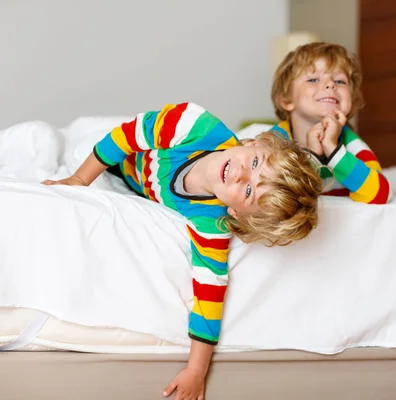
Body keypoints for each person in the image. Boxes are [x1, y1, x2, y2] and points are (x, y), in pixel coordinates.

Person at [43, 102, 322, 400]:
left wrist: (196, 370)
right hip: (119, 148)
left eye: (250, 191)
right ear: (252, 143)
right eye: (255, 163)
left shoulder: (211, 223)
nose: (242, 175)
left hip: (131, 179)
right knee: (73, 143)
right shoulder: (195, 126)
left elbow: (209, 294)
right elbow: (126, 136)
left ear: (237, 213)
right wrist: (78, 180)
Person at [270, 42, 392, 204]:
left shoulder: (352, 144)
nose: (330, 84)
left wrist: (333, 150)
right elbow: (276, 197)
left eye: (340, 81)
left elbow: (381, 193)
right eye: (313, 79)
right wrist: (312, 155)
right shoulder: (273, 143)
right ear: (285, 100)